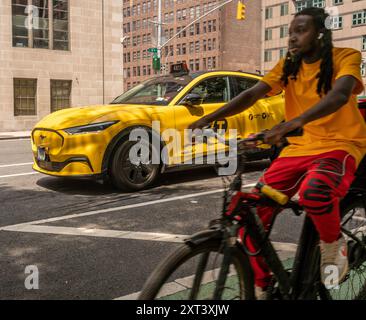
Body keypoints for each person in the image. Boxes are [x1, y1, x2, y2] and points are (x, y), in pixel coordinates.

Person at [189, 7, 366, 298]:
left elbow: (339, 94)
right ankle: (263, 284)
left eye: (300, 31)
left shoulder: (345, 56)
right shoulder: (288, 65)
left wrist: (293, 123)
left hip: (341, 145)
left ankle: (335, 249)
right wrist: (208, 118)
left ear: (320, 33)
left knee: (315, 193)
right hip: (299, 148)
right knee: (251, 215)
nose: (292, 38)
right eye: (290, 32)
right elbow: (251, 94)